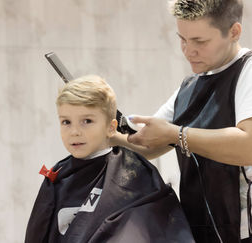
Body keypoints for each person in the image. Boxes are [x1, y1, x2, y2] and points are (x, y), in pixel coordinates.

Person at [111, 0, 252, 242]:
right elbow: (150, 141)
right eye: (182, 39)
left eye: (200, 41)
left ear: (234, 31)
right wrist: (108, 131)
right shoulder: (190, 87)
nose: (188, 51)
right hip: (216, 232)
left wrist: (176, 135)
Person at [24, 75, 195, 243]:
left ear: (111, 127)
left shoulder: (133, 173)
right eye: (66, 122)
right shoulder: (58, 176)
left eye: (87, 121)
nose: (74, 131)